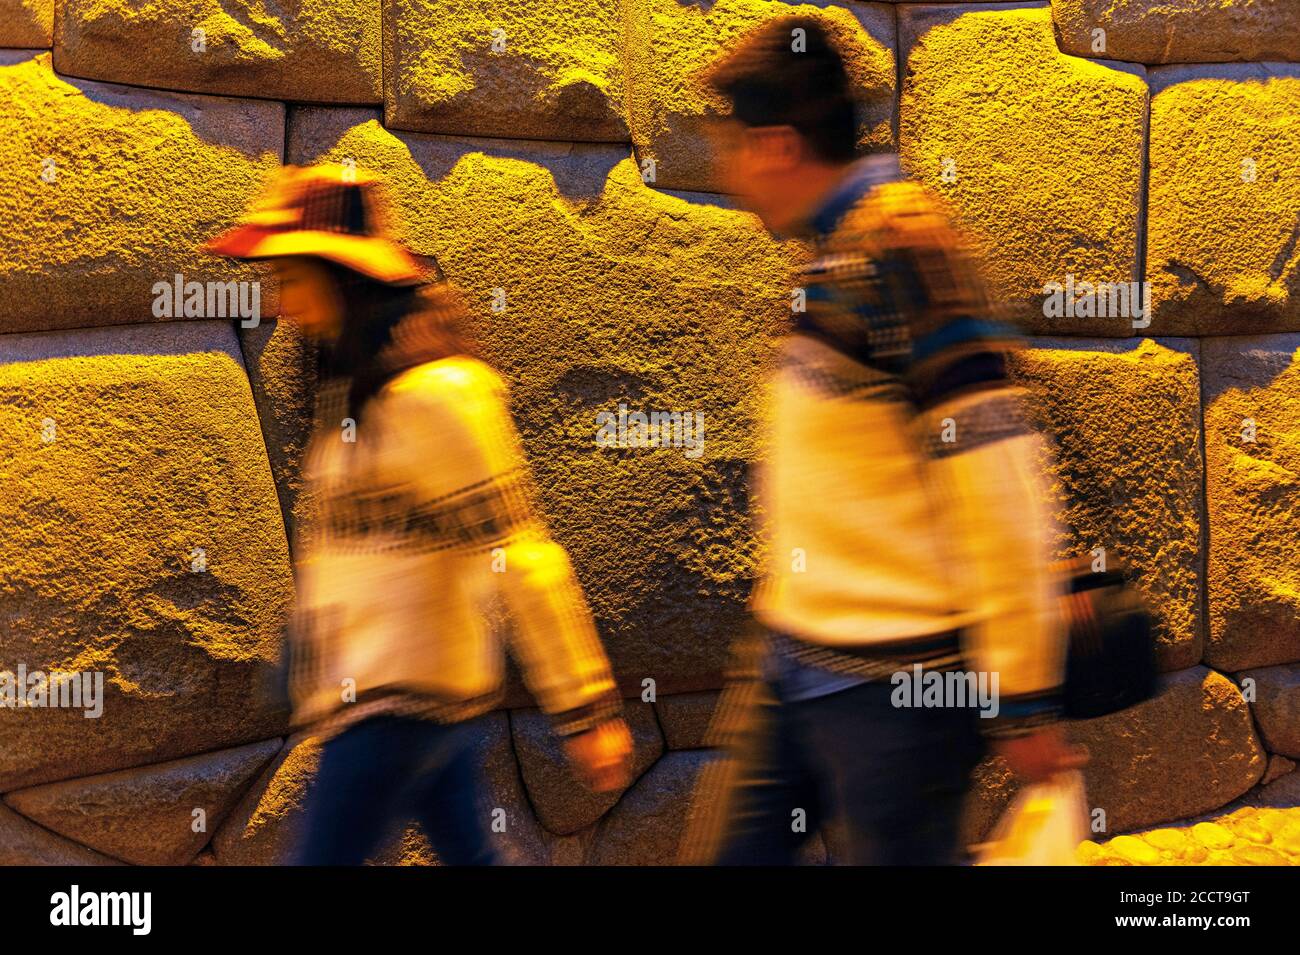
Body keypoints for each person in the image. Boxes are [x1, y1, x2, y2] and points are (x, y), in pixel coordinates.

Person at [694, 17, 1086, 865]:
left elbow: (1000, 472)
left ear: (774, 145)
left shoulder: (905, 246)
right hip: (793, 663)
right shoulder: (829, 253)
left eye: (729, 147)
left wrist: (1021, 695)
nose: (723, 174)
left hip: (895, 692)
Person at [203, 164, 632, 865]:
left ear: (339, 273)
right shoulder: (347, 389)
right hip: (388, 692)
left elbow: (519, 552)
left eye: (289, 276)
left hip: (400, 701)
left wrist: (586, 708)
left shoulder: (441, 393)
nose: (277, 301)